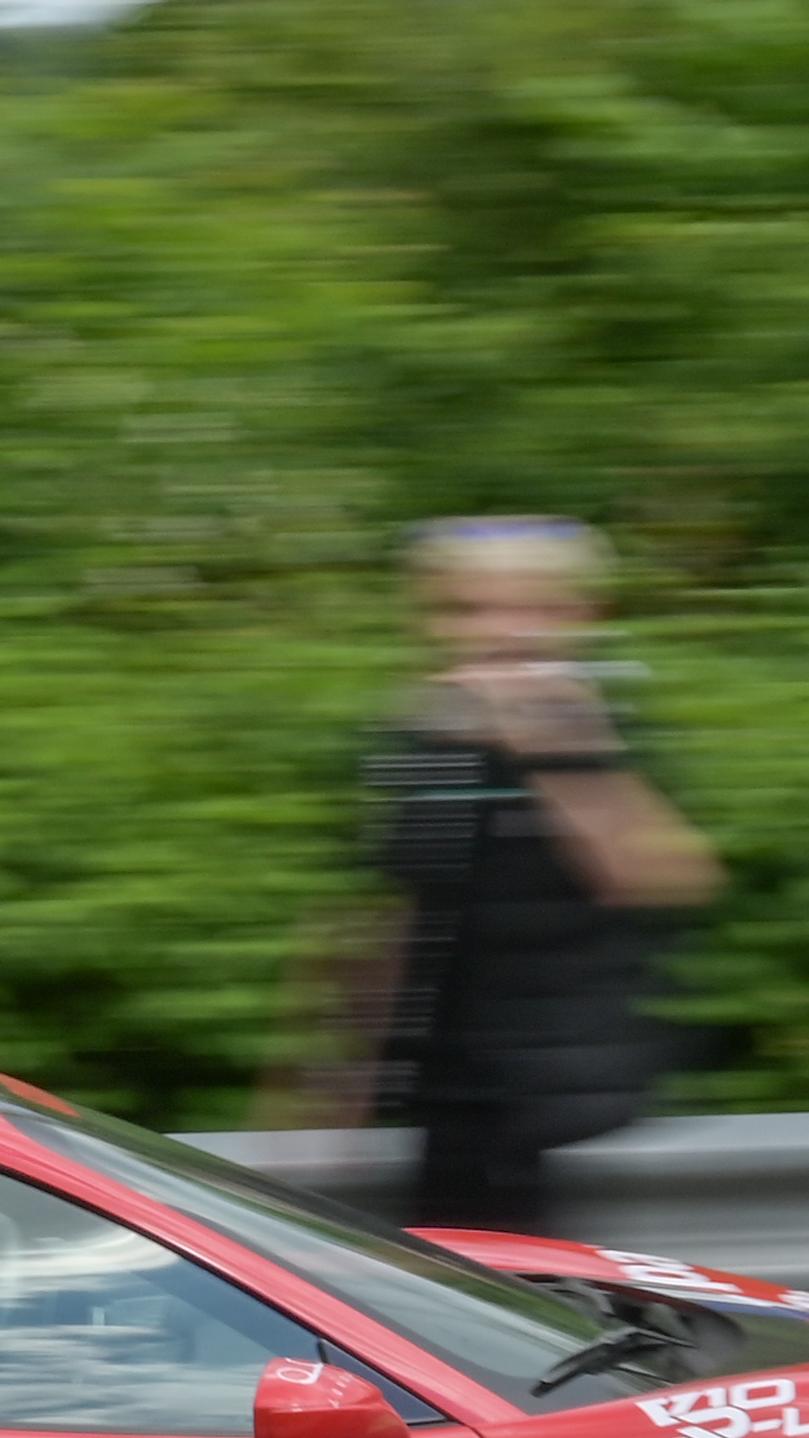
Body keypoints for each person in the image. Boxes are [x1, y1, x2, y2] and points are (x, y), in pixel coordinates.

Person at [288, 515, 721, 1239]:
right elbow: (388, 911)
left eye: (532, 609)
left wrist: (553, 746)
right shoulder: (425, 735)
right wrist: (332, 1087)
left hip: (568, 1112)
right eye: (467, 609)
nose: (501, 632)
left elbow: (666, 876)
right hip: (452, 1095)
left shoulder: (601, 729)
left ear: (584, 616)